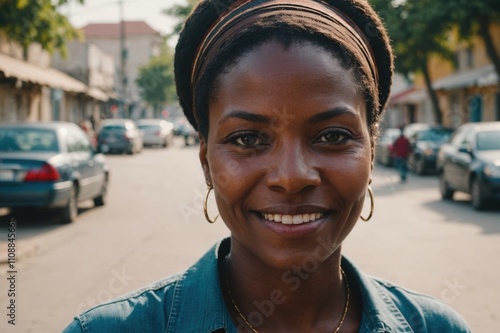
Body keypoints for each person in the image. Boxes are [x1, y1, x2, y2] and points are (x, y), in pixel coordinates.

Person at [63, 0, 471, 332]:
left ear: (372, 150)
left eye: (332, 136)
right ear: (206, 161)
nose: (291, 177)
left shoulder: (436, 328)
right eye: (247, 139)